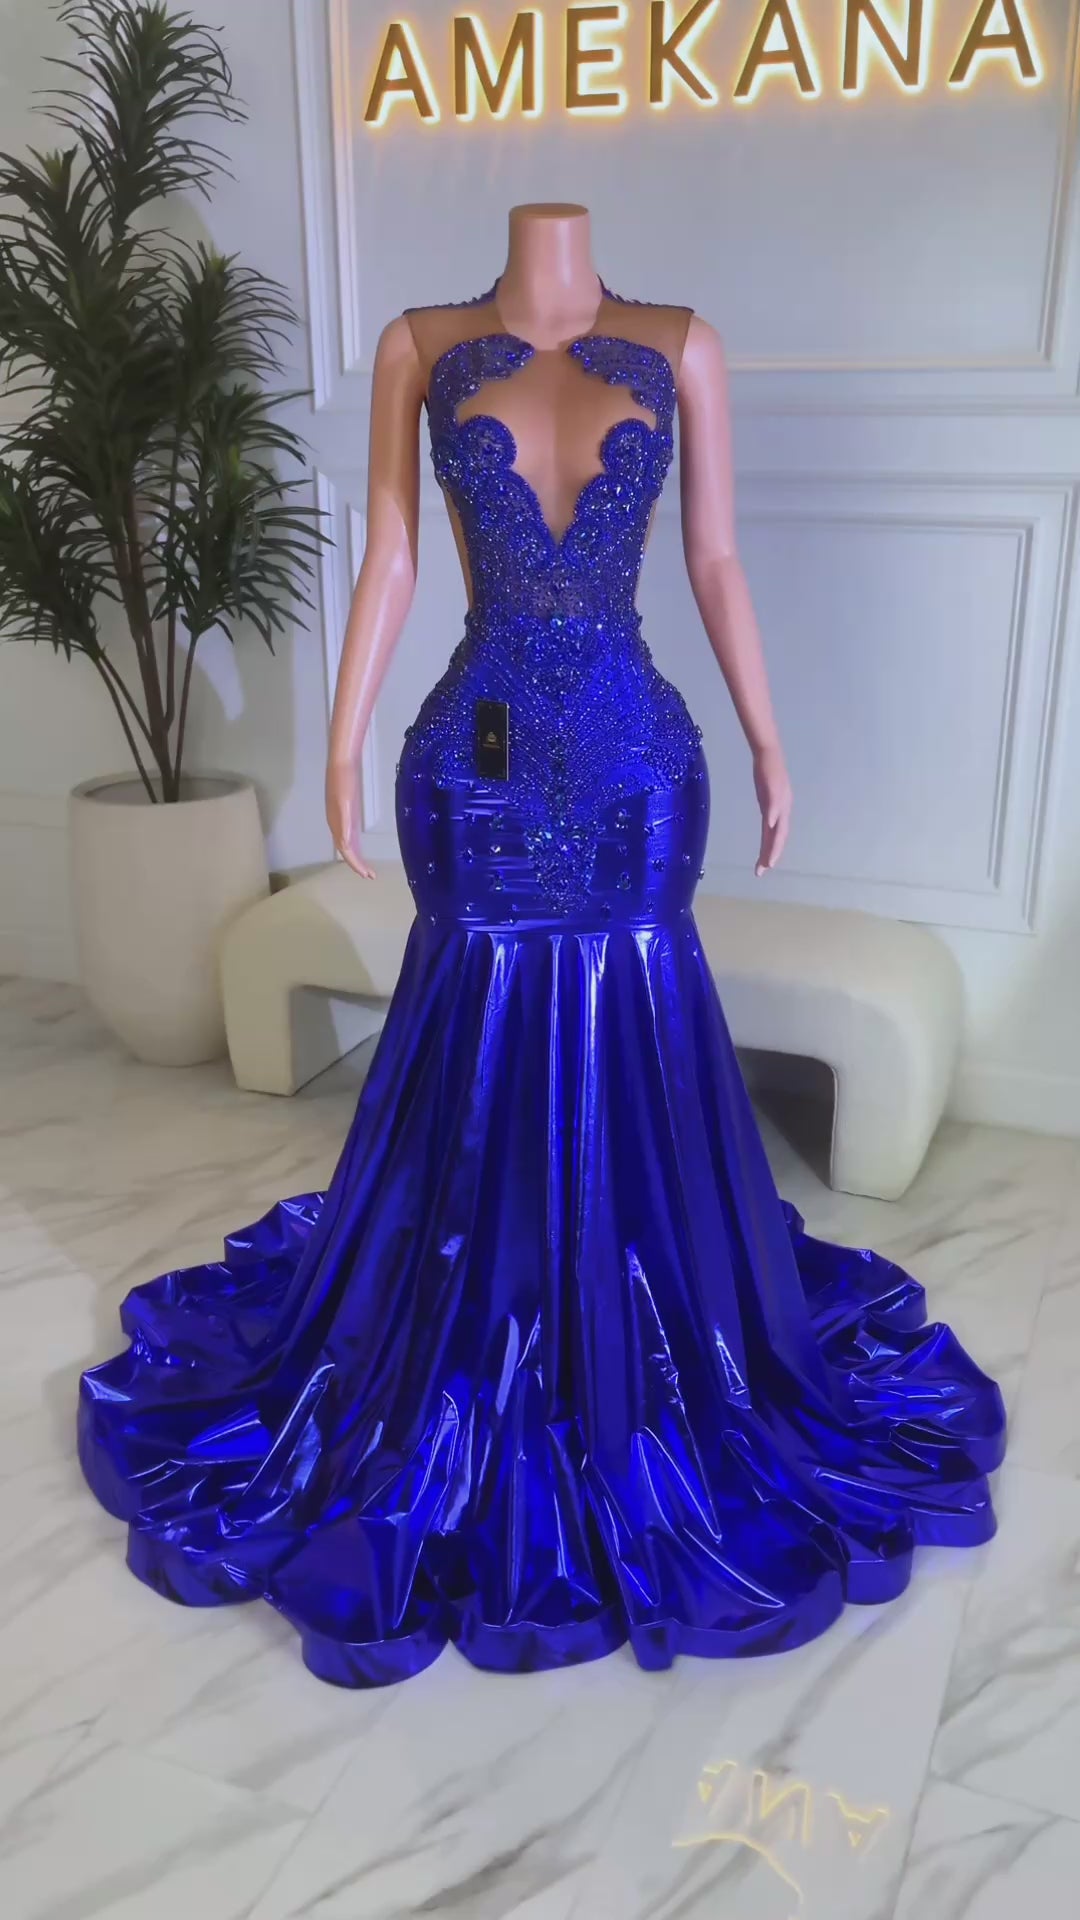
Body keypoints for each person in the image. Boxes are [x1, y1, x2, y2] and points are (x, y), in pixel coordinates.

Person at [78, 205, 1006, 1689]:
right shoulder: (421, 346)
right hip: (479, 752)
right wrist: (343, 741)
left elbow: (715, 559)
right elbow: (391, 550)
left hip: (636, 759)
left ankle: (641, 1320)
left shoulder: (682, 346)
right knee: (474, 1020)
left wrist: (768, 741)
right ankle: (472, 1316)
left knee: (636, 1005)